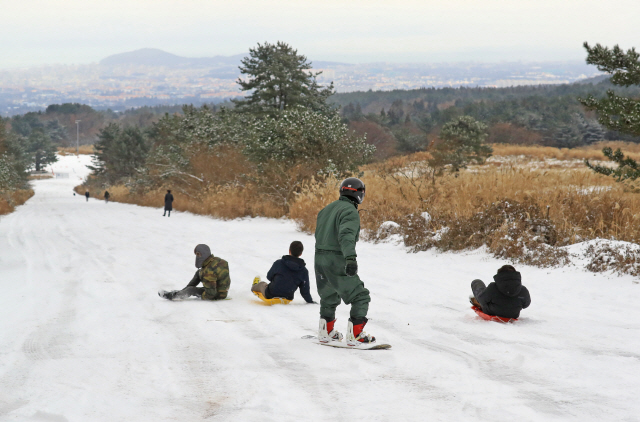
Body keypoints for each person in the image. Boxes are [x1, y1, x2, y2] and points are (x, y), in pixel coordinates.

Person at [314, 177, 375, 345]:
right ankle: (355, 335)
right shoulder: (349, 211)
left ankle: (326, 332)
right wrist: (350, 259)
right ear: (359, 194)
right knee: (361, 296)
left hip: (319, 258)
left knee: (328, 295)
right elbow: (346, 236)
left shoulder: (326, 209)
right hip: (336, 258)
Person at [159, 244, 231, 301]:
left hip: (216, 295)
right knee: (198, 273)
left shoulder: (208, 272)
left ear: (204, 254)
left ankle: (175, 296)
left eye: (198, 254)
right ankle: (183, 292)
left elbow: (211, 294)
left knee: (191, 290)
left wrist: (202, 295)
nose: (197, 257)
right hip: (221, 291)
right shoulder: (216, 260)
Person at [251, 241, 315, 304]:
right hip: (287, 297)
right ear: (301, 254)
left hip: (270, 294)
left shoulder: (279, 263)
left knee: (262, 284)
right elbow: (305, 291)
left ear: (289, 251)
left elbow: (269, 277)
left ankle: (254, 286)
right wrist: (310, 301)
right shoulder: (303, 271)